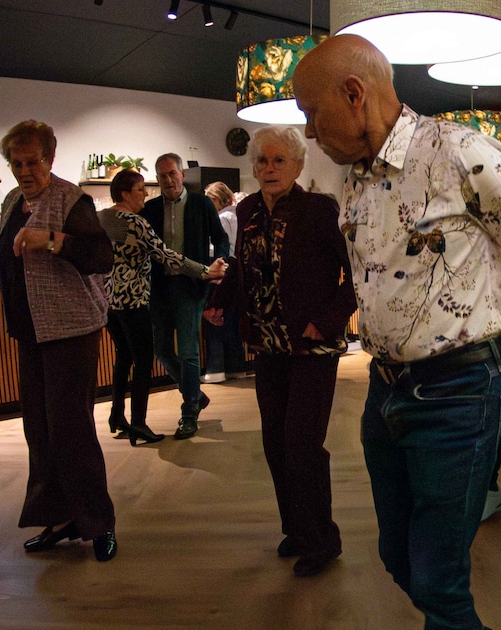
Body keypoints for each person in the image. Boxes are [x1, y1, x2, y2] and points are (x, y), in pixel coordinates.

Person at [292, 34, 501, 630]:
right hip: (386, 389)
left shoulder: (459, 153)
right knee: (397, 556)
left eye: (311, 115)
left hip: (460, 390)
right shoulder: (356, 179)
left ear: (353, 94)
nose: (310, 133)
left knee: (439, 583)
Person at [0, 120, 119, 562]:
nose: (26, 170)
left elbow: (101, 255)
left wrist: (51, 240)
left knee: (72, 430)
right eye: (18, 163)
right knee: (40, 431)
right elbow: (5, 246)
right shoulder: (12, 201)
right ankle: (60, 519)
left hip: (70, 331)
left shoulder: (71, 200)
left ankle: (99, 523)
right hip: (30, 333)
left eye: (34, 161)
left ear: (51, 159)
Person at [205, 125, 356, 578]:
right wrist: (220, 302)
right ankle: (297, 527)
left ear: (297, 165)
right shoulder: (248, 209)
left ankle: (322, 539)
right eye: (262, 161)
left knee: (303, 444)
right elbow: (241, 268)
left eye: (278, 161)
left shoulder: (319, 211)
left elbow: (355, 275)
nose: (268, 169)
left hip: (312, 347)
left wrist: (327, 321)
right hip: (267, 346)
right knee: (275, 444)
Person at [98, 169, 226, 445]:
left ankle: (117, 416)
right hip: (134, 302)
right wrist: (205, 271)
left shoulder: (103, 218)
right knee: (144, 362)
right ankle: (139, 425)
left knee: (123, 359)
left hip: (110, 304)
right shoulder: (136, 223)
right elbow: (167, 255)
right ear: (124, 193)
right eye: (140, 189)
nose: (145, 194)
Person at [140, 153, 229, 439]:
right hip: (159, 287)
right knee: (162, 349)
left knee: (189, 351)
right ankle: (195, 393)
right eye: (162, 175)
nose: (168, 179)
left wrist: (222, 261)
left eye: (172, 173)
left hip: (190, 286)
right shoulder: (150, 209)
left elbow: (220, 238)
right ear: (157, 178)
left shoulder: (201, 204)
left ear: (182, 175)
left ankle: (189, 411)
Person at [201, 181, 248, 384]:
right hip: (240, 276)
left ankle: (216, 369)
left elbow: (221, 249)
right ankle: (237, 367)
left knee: (215, 322)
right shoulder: (240, 215)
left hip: (223, 275)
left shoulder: (222, 218)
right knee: (232, 323)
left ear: (218, 200)